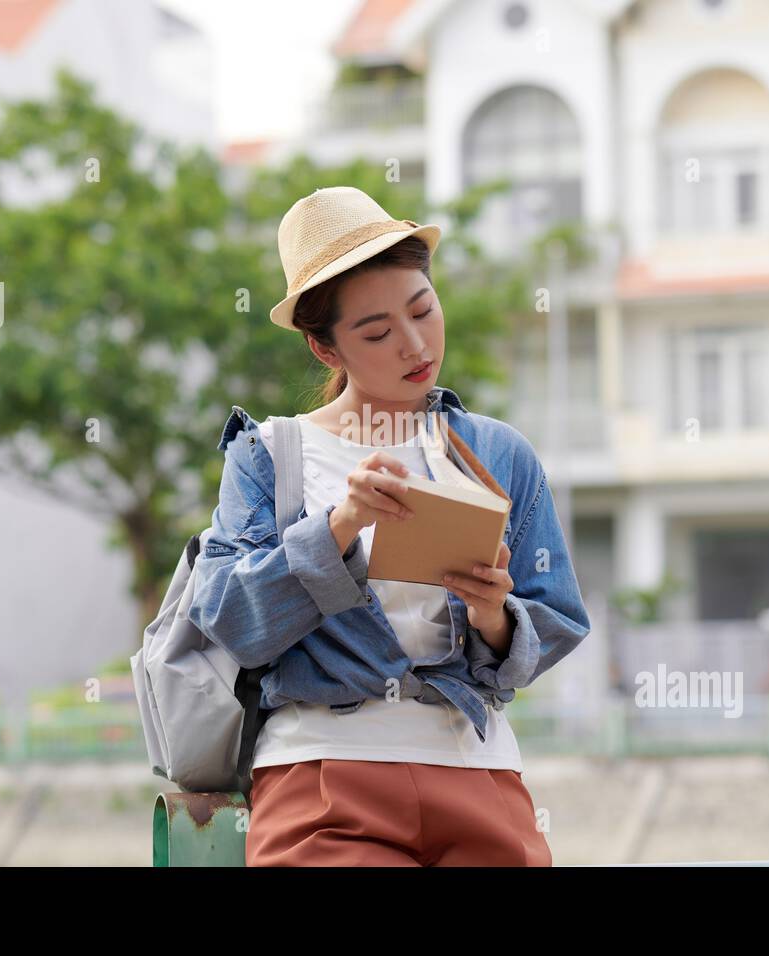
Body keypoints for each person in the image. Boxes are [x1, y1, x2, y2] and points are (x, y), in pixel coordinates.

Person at [188, 185, 591, 866]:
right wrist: (341, 525)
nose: (414, 344)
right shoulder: (270, 455)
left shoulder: (497, 454)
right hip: (322, 776)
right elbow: (229, 619)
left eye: (423, 310)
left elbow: (556, 618)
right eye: (376, 332)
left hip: (477, 770)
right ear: (325, 348)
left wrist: (493, 612)